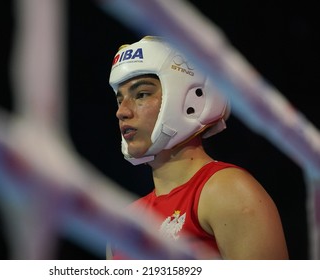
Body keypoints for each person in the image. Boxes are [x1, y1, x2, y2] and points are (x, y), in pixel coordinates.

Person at [106, 36, 289, 260]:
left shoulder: (228, 191)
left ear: (188, 97)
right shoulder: (126, 221)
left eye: (141, 94)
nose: (122, 112)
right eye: (119, 100)